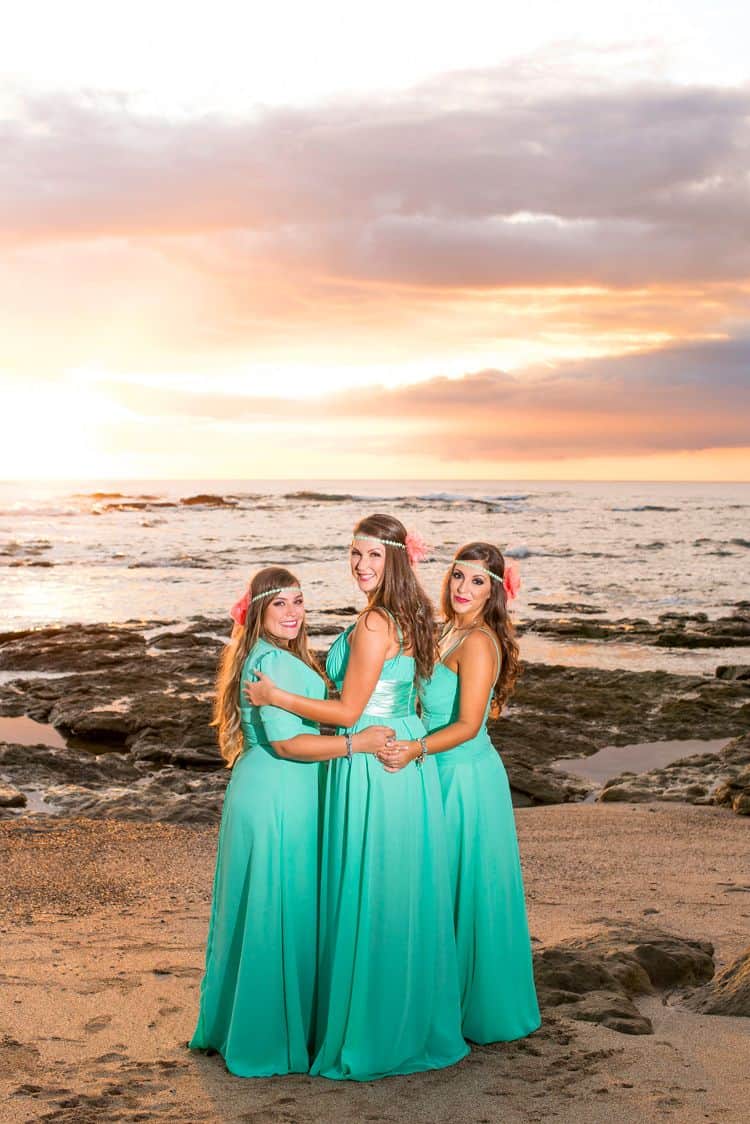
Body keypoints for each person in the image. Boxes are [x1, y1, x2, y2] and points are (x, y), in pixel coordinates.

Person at [246, 517, 468, 1080]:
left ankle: (370, 1035)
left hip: (370, 762)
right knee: (396, 893)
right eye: (354, 554)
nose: (361, 565)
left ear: (394, 558)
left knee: (372, 894)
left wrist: (277, 694)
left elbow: (348, 712)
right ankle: (404, 1022)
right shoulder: (411, 617)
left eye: (372, 555)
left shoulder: (373, 622)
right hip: (400, 762)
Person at [190, 566, 392, 1077]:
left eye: (298, 602)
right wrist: (355, 743)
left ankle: (245, 1026)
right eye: (279, 604)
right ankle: (265, 1041)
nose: (292, 613)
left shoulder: (275, 656)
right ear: (258, 611)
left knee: (274, 910)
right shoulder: (268, 663)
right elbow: (286, 743)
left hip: (282, 788)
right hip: (277, 788)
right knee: (274, 911)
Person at [379, 542, 541, 1044]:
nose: (463, 589)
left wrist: (414, 749)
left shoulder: (479, 642)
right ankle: (439, 998)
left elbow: (470, 724)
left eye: (477, 581)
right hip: (436, 769)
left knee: (469, 889)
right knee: (438, 888)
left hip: (465, 778)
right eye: (457, 577)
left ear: (494, 591)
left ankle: (481, 1009)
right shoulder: (448, 630)